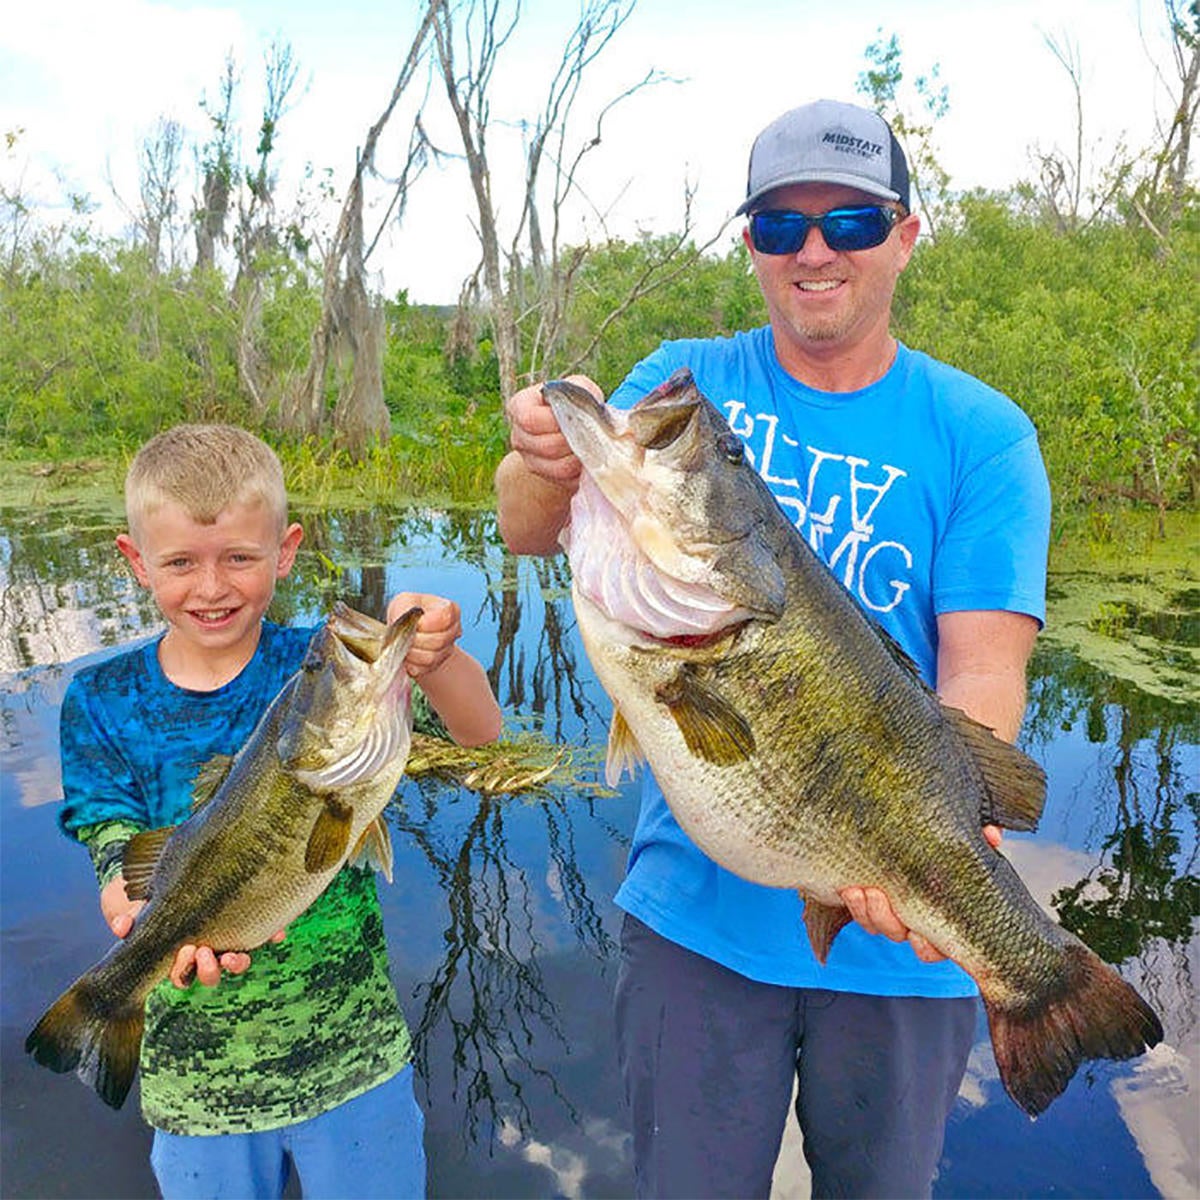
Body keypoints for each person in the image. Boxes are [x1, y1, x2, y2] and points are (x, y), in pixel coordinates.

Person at [495, 98, 1052, 1198]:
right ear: (748, 242)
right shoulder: (685, 383)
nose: (813, 251)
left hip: (906, 938)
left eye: (848, 224)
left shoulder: (984, 434)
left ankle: (1041, 986)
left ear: (904, 235)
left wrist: (939, 837)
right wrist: (542, 462)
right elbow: (526, 526)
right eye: (779, 225)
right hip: (693, 927)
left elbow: (983, 669)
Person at [57, 423, 502, 1200]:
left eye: (239, 557)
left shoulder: (313, 668)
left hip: (353, 1059)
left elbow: (480, 734)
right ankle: (108, 1001)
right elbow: (114, 840)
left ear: (285, 551)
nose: (212, 586)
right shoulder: (99, 702)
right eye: (181, 563)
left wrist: (436, 660)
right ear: (136, 565)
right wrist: (132, 909)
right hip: (196, 1089)